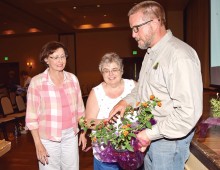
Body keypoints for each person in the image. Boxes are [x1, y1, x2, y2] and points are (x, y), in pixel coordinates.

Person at [109, 1, 203, 170]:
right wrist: (125, 102)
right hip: (153, 135)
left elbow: (188, 112)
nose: (133, 34)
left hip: (169, 142)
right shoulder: (151, 54)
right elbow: (142, 89)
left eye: (136, 28)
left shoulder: (179, 56)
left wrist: (149, 134)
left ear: (154, 22)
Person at [25, 41, 87, 170]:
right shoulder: (37, 82)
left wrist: (83, 132)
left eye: (63, 56)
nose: (60, 60)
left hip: (71, 135)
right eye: (55, 57)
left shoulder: (72, 79)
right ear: (46, 59)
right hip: (48, 138)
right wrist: (38, 144)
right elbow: (31, 117)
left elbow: (80, 110)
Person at [85, 52, 136, 170]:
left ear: (122, 70)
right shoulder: (96, 92)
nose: (111, 74)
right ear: (101, 73)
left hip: (132, 152)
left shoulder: (133, 86)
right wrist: (106, 122)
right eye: (106, 70)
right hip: (105, 153)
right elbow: (88, 121)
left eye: (114, 69)